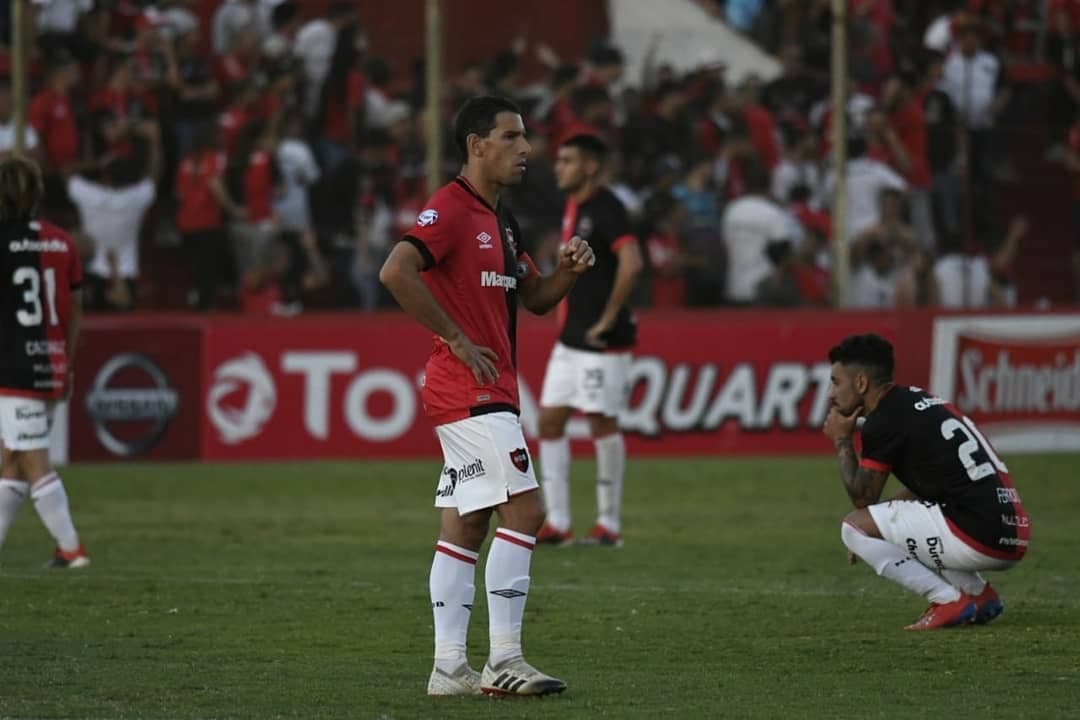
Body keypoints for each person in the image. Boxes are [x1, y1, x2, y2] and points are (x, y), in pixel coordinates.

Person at [379, 96, 595, 697]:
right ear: (477, 145)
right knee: (526, 512)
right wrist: (453, 335)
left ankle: (449, 667)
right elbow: (395, 271)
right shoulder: (449, 209)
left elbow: (536, 298)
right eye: (511, 136)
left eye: (524, 138)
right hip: (469, 391)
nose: (526, 149)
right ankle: (505, 659)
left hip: (485, 391)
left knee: (467, 524)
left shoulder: (502, 222)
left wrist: (569, 273)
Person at [822, 334, 1028, 630]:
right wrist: (878, 526)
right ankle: (978, 595)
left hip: (979, 535)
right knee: (885, 520)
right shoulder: (919, 400)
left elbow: (862, 499)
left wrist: (842, 439)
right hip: (1011, 531)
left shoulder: (884, 420)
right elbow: (929, 485)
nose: (831, 393)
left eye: (836, 382)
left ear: (862, 383)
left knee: (852, 528)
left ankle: (947, 600)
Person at [535, 134, 643, 547]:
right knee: (549, 421)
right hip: (570, 340)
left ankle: (607, 526)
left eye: (568, 160)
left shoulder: (607, 208)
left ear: (590, 167)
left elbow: (632, 264)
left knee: (600, 422)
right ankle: (558, 523)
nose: (558, 166)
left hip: (600, 342)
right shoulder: (575, 206)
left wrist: (607, 319)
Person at [0, 156, 89, 568]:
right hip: (50, 363)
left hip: (11, 367)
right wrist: (66, 364)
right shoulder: (62, 241)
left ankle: (72, 549)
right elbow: (75, 309)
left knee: (32, 458)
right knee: (10, 460)